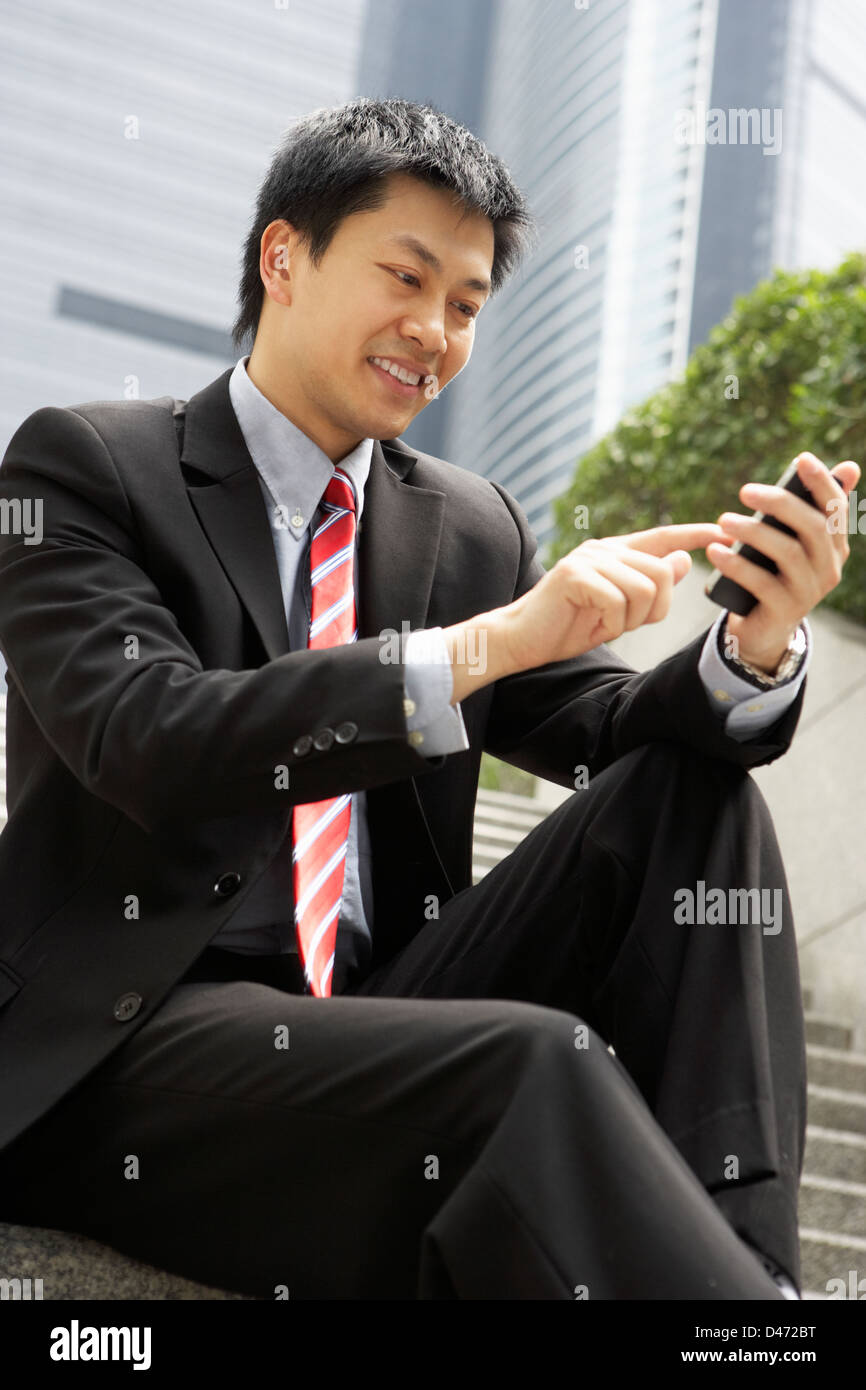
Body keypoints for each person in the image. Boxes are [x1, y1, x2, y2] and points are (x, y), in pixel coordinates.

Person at [0, 97, 858, 1301]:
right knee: (534, 1061)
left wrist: (750, 645)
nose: (434, 332)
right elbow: (147, 736)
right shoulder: (85, 466)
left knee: (688, 796)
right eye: (404, 278)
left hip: (382, 1024)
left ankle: (750, 1296)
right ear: (283, 256)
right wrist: (478, 646)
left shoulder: (468, 521)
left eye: (463, 304)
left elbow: (607, 729)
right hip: (135, 1048)